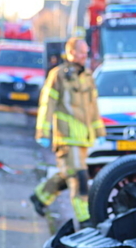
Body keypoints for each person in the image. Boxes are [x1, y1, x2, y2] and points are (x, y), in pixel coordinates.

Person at [30, 38, 104, 228]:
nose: (85, 57)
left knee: (68, 173)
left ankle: (40, 197)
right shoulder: (58, 75)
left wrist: (99, 131)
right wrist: (43, 132)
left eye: (86, 52)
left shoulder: (88, 76)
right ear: (71, 53)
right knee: (79, 178)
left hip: (83, 139)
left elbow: (93, 106)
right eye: (81, 52)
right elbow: (48, 104)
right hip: (66, 137)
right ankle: (85, 219)